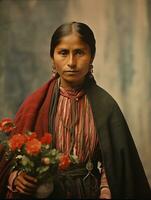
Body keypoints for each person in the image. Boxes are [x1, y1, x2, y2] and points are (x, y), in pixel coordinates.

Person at [0, 21, 150, 199]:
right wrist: (16, 177)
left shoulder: (106, 106)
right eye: (63, 53)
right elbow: (7, 161)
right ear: (52, 57)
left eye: (79, 52)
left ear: (92, 56)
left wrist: (106, 192)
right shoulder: (35, 104)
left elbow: (116, 167)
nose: (71, 62)